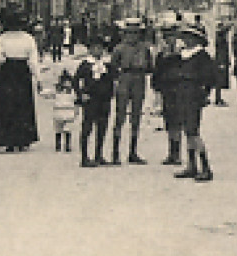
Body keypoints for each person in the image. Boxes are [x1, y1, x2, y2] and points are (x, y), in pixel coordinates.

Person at [0, 6, 41, 153]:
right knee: (23, 105)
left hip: (7, 73)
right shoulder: (28, 39)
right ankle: (22, 139)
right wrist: (38, 79)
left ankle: (8, 139)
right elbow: (33, 61)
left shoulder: (2, 38)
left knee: (6, 105)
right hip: (22, 73)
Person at [171, 26, 216, 182]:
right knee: (187, 130)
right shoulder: (182, 55)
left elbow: (210, 78)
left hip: (193, 94)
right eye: (185, 36)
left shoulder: (202, 56)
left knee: (193, 131)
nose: (187, 40)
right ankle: (192, 165)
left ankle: (205, 167)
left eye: (190, 37)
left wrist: (204, 94)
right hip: (182, 93)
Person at [109, 20, 154, 165]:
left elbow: (150, 67)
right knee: (120, 115)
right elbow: (113, 67)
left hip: (139, 80)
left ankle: (132, 152)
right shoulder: (119, 49)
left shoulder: (145, 49)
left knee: (136, 116)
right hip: (125, 78)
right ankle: (115, 153)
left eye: (136, 33)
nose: (132, 36)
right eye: (130, 33)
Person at [73, 34, 116, 167]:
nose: (97, 51)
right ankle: (84, 157)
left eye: (100, 48)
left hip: (104, 99)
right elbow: (75, 80)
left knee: (102, 127)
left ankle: (99, 155)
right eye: (94, 48)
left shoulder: (107, 64)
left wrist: (111, 92)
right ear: (90, 50)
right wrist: (80, 94)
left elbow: (114, 78)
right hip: (91, 99)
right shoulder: (85, 64)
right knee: (87, 127)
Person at [151, 27, 185, 164]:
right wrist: (156, 87)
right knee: (169, 120)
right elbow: (157, 73)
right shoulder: (161, 55)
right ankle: (171, 152)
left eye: (172, 37)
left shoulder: (182, 54)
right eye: (167, 38)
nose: (169, 40)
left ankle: (177, 153)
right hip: (167, 91)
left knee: (178, 121)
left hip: (179, 90)